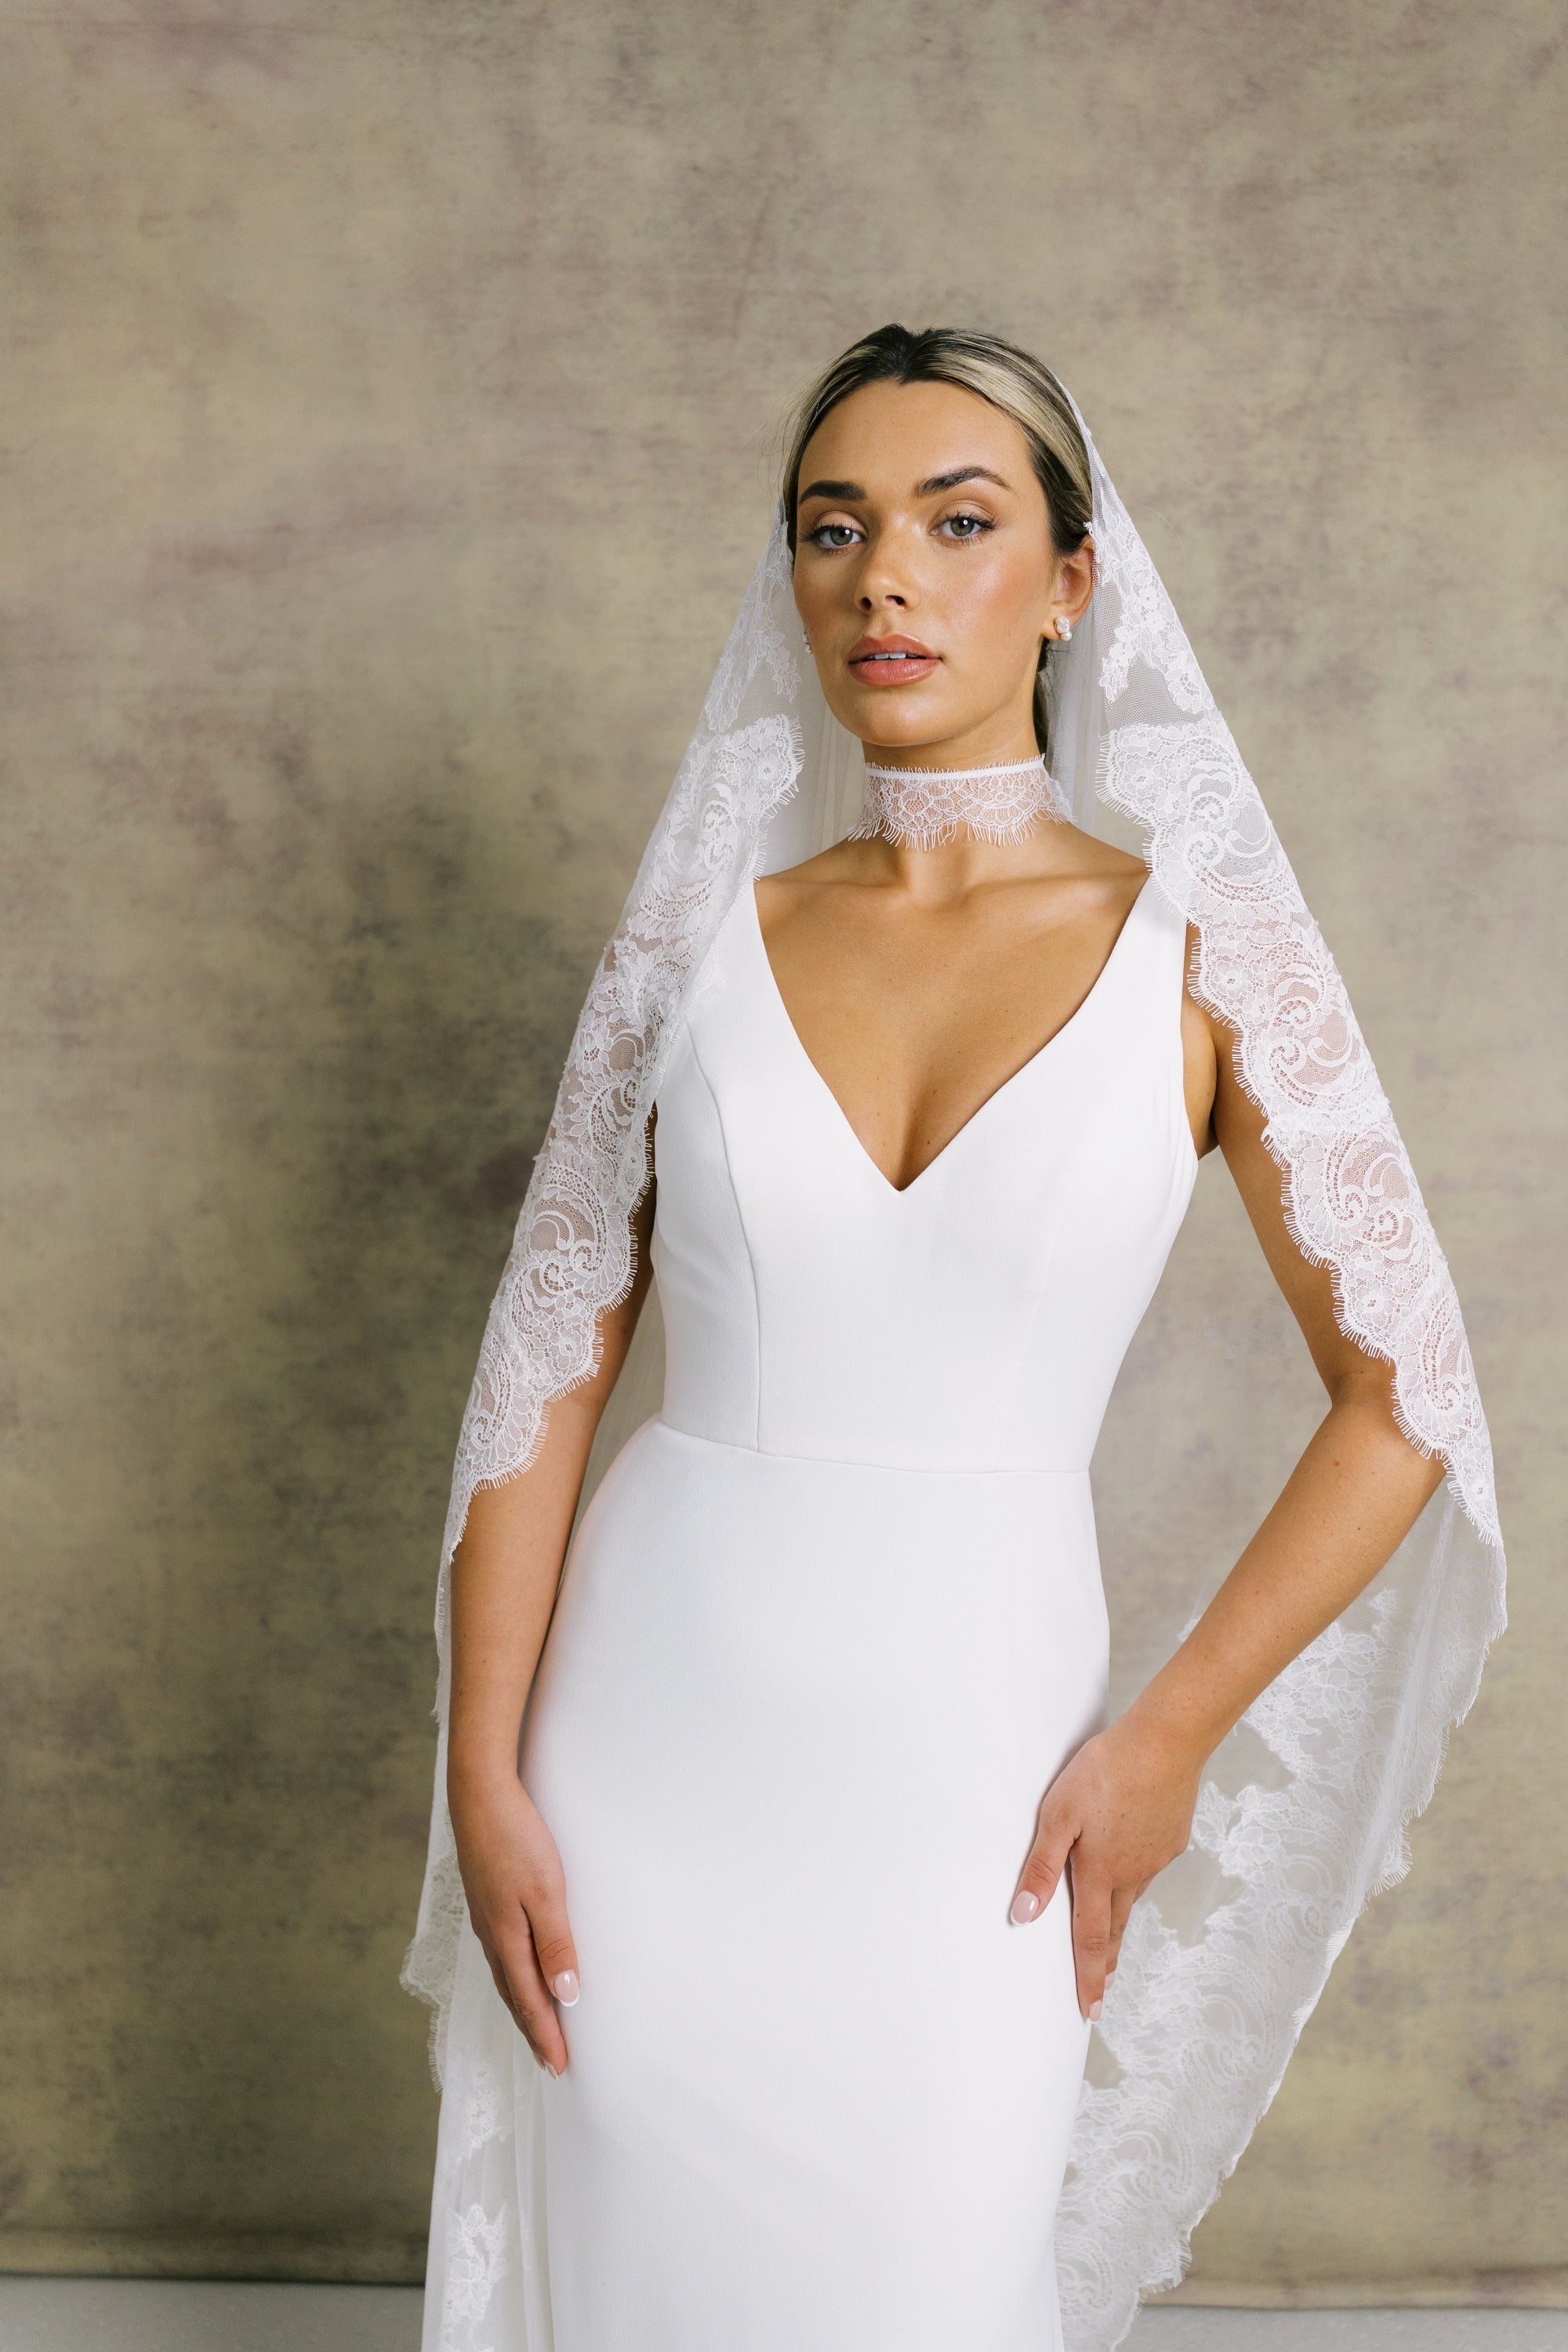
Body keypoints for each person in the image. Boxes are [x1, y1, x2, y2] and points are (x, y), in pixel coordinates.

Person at [404, 326, 1504, 2352]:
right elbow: (543, 1367)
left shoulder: (1201, 950)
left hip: (975, 1779)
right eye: (834, 530)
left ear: (1075, 585)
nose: (883, 580)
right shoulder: (701, 938)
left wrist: (1170, 1729)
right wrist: (484, 1768)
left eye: (956, 522)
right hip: (643, 1760)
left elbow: (1410, 1394)